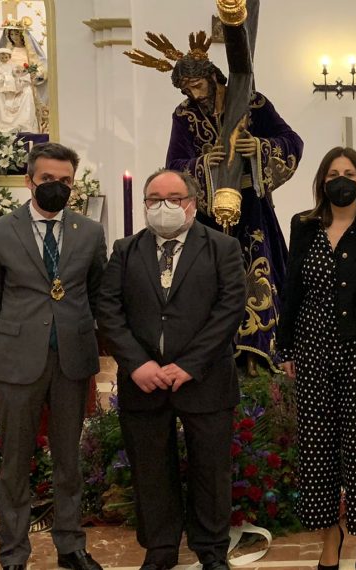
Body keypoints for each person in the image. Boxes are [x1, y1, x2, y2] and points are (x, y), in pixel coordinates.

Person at [128, 26, 304, 367]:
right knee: (210, 280)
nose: (194, 95)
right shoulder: (184, 115)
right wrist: (203, 163)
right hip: (208, 214)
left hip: (251, 206)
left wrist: (259, 147)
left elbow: (291, 140)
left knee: (258, 273)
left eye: (197, 85)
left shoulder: (253, 102)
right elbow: (174, 165)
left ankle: (259, 355)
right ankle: (213, 354)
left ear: (212, 76)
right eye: (186, 89)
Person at [97, 169, 246, 570]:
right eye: (154, 199)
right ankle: (160, 548)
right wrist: (137, 364)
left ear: (192, 203)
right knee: (150, 469)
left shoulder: (222, 247)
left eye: (174, 198)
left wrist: (189, 364)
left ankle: (211, 548)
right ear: (145, 204)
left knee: (211, 470)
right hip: (143, 382)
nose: (163, 206)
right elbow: (109, 310)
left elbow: (230, 308)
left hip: (205, 378)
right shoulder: (125, 250)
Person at [0, 143, 107, 570]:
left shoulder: (89, 232)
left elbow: (98, 293)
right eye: (48, 179)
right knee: (15, 462)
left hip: (72, 359)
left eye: (65, 181)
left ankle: (70, 545)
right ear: (29, 180)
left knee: (69, 459)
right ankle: (14, 552)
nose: (57, 186)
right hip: (20, 362)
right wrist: (18, 338)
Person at [275, 147, 356, 570]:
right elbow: (291, 289)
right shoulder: (304, 225)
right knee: (317, 448)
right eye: (333, 174)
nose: (341, 180)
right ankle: (330, 535)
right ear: (322, 182)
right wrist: (286, 346)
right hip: (312, 349)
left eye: (348, 173)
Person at [0, 47, 38, 133]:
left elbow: (17, 73)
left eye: (6, 57)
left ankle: (13, 114)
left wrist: (20, 75)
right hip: (0, 82)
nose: (4, 59)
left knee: (18, 94)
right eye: (2, 57)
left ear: (9, 57)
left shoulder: (12, 65)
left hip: (10, 82)